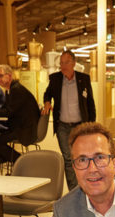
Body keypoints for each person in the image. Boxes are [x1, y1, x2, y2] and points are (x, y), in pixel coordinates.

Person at [43, 50, 96, 190]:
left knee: (81, 157)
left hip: (80, 126)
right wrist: (47, 102)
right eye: (61, 62)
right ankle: (74, 191)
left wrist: (91, 127)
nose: (63, 65)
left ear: (73, 63)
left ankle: (84, 187)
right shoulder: (55, 79)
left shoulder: (83, 79)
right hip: (63, 127)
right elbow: (47, 93)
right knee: (68, 159)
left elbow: (90, 103)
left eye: (66, 62)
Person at [0, 64, 40, 165]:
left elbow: (8, 112)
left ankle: (20, 161)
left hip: (25, 129)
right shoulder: (10, 89)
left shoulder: (16, 90)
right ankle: (7, 156)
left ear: (10, 76)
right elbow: (7, 110)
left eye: (1, 76)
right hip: (19, 126)